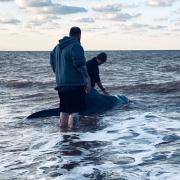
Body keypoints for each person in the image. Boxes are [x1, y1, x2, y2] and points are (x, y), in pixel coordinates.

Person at [50, 27, 91, 129]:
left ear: (69, 34)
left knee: (64, 109)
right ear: (79, 35)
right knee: (74, 110)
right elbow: (80, 64)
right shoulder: (76, 46)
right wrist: (87, 79)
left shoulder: (57, 48)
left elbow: (52, 63)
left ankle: (64, 133)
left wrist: (60, 74)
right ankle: (74, 135)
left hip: (61, 83)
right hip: (75, 84)